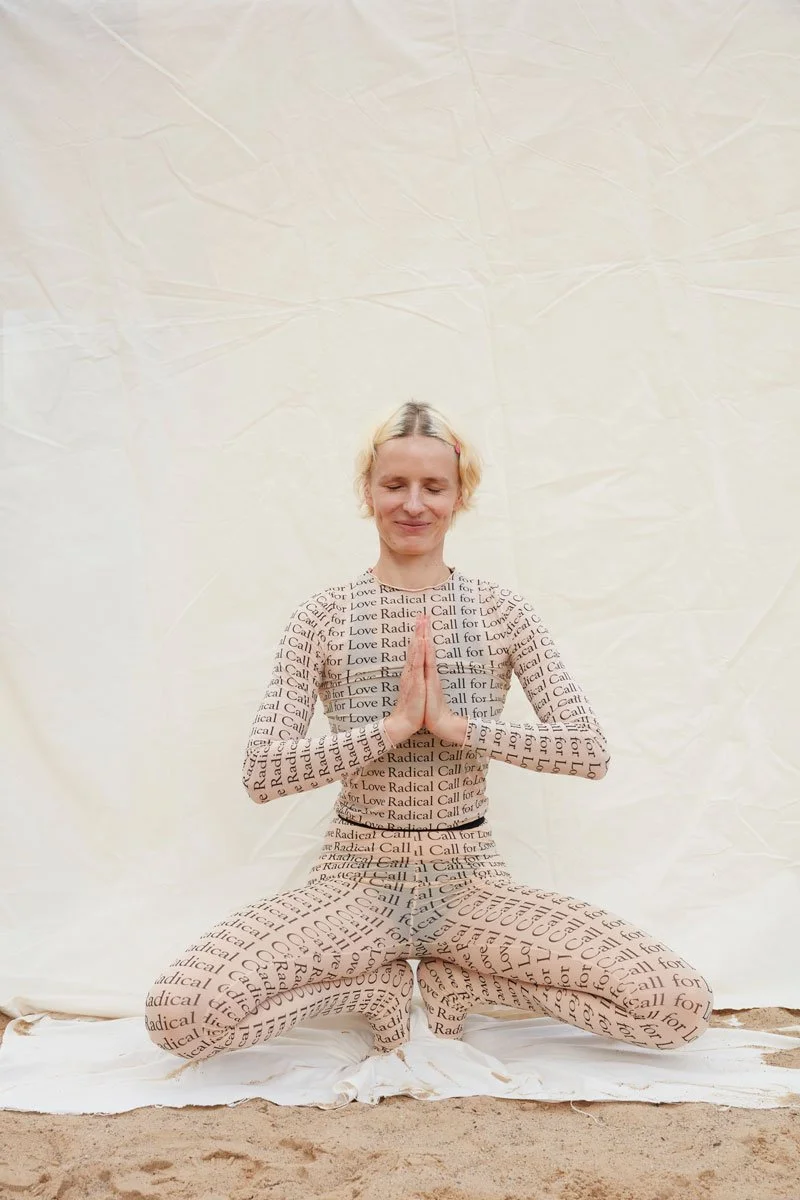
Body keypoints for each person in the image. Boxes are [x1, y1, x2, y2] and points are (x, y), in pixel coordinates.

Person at [145, 401, 713, 1061]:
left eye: (433, 487)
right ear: (369, 493)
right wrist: (388, 730)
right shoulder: (321, 617)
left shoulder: (503, 612)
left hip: (471, 883)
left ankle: (459, 982)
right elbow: (263, 773)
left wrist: (457, 726)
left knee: (675, 1005)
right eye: (395, 485)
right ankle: (372, 991)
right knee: (183, 1017)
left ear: (459, 496)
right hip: (355, 882)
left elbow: (588, 753)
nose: (413, 504)